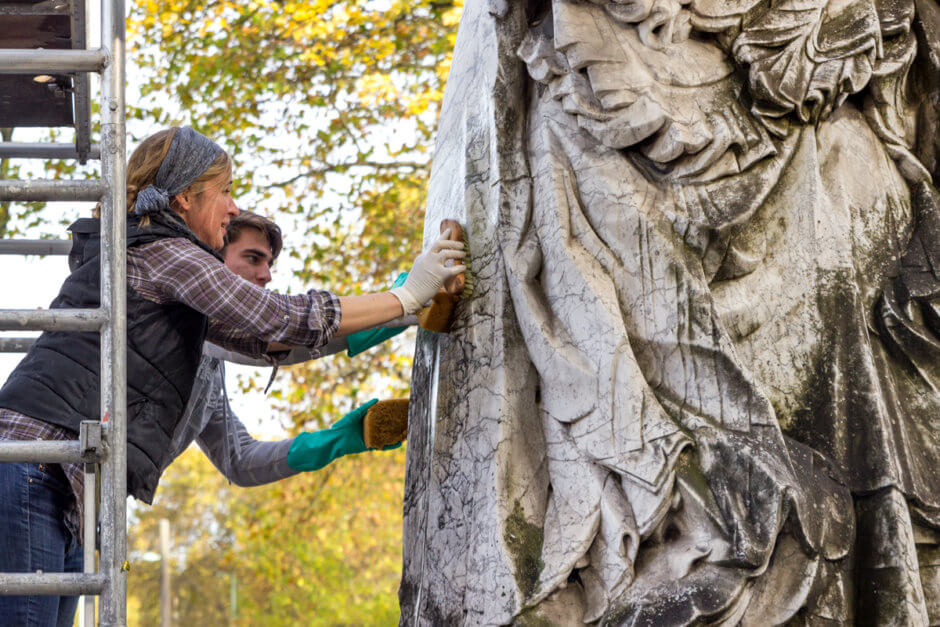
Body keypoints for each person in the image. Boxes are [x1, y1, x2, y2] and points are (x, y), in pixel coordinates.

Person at [0, 126, 464, 626]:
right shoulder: (164, 253)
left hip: (66, 485)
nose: (233, 206)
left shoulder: (165, 285)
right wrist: (405, 295)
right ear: (183, 197)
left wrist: (405, 308)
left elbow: (272, 345)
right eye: (223, 191)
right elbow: (279, 320)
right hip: (39, 466)